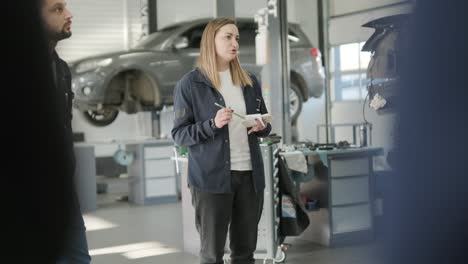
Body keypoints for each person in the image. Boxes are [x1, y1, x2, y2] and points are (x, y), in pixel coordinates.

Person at [172, 17, 272, 264]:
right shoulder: (190, 84)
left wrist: (262, 126)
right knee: (211, 254)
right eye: (227, 36)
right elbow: (179, 135)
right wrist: (211, 125)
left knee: (245, 253)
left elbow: (263, 126)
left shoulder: (249, 81)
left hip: (250, 178)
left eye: (236, 37)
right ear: (211, 41)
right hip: (211, 180)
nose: (234, 42)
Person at [39, 0, 91, 263]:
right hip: (25, 193)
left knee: (79, 258)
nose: (69, 14)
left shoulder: (61, 69)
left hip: (62, 191)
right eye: (57, 9)